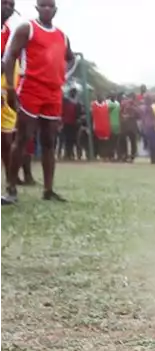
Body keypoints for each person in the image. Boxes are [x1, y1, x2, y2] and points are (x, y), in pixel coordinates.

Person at [0, 0, 73, 204]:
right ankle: (11, 189)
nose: (47, 9)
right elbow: (10, 56)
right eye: (43, 5)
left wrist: (62, 75)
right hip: (31, 88)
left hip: (53, 93)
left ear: (56, 10)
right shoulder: (27, 28)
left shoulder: (62, 36)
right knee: (22, 138)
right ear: (37, 8)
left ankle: (48, 190)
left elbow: (71, 58)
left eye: (50, 6)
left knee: (50, 141)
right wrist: (10, 88)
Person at [0, 0, 16, 178]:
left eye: (12, 4)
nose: (8, 7)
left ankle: (11, 183)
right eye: (4, 3)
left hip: (4, 93)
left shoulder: (8, 32)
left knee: (6, 140)